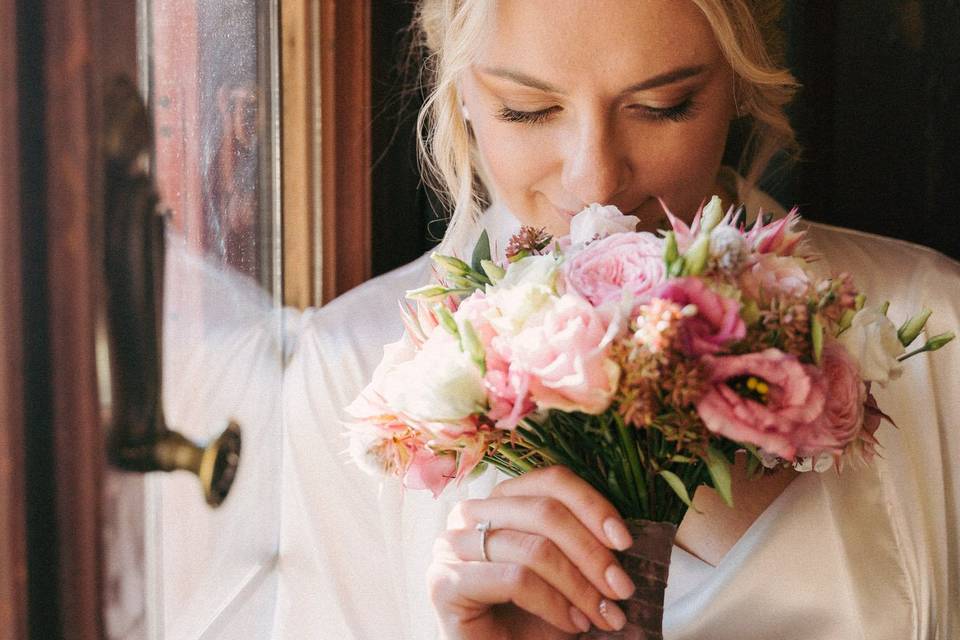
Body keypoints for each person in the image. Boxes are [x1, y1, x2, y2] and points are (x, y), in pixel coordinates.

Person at [271, 1, 960, 638]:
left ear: (740, 82)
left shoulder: (928, 324)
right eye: (527, 110)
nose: (595, 181)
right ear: (459, 92)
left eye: (662, 106)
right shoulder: (355, 370)